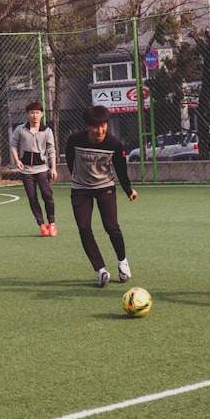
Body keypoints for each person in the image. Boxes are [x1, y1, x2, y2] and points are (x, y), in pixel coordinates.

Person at [65, 105, 137, 287]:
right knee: (84, 228)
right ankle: (100, 270)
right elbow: (69, 158)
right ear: (88, 126)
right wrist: (76, 175)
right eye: (96, 126)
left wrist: (128, 189)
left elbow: (121, 168)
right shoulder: (75, 140)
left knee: (111, 227)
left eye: (103, 125)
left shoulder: (113, 144)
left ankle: (123, 262)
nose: (100, 130)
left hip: (105, 186)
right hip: (80, 188)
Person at [9, 101, 58, 236]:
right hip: (26, 170)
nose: (34, 115)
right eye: (32, 113)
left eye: (37, 112)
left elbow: (51, 150)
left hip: (42, 169)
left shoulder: (47, 131)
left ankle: (52, 223)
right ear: (27, 115)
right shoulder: (20, 129)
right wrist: (17, 160)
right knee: (32, 197)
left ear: (41, 114)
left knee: (47, 195)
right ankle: (41, 224)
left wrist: (53, 168)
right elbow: (13, 145)